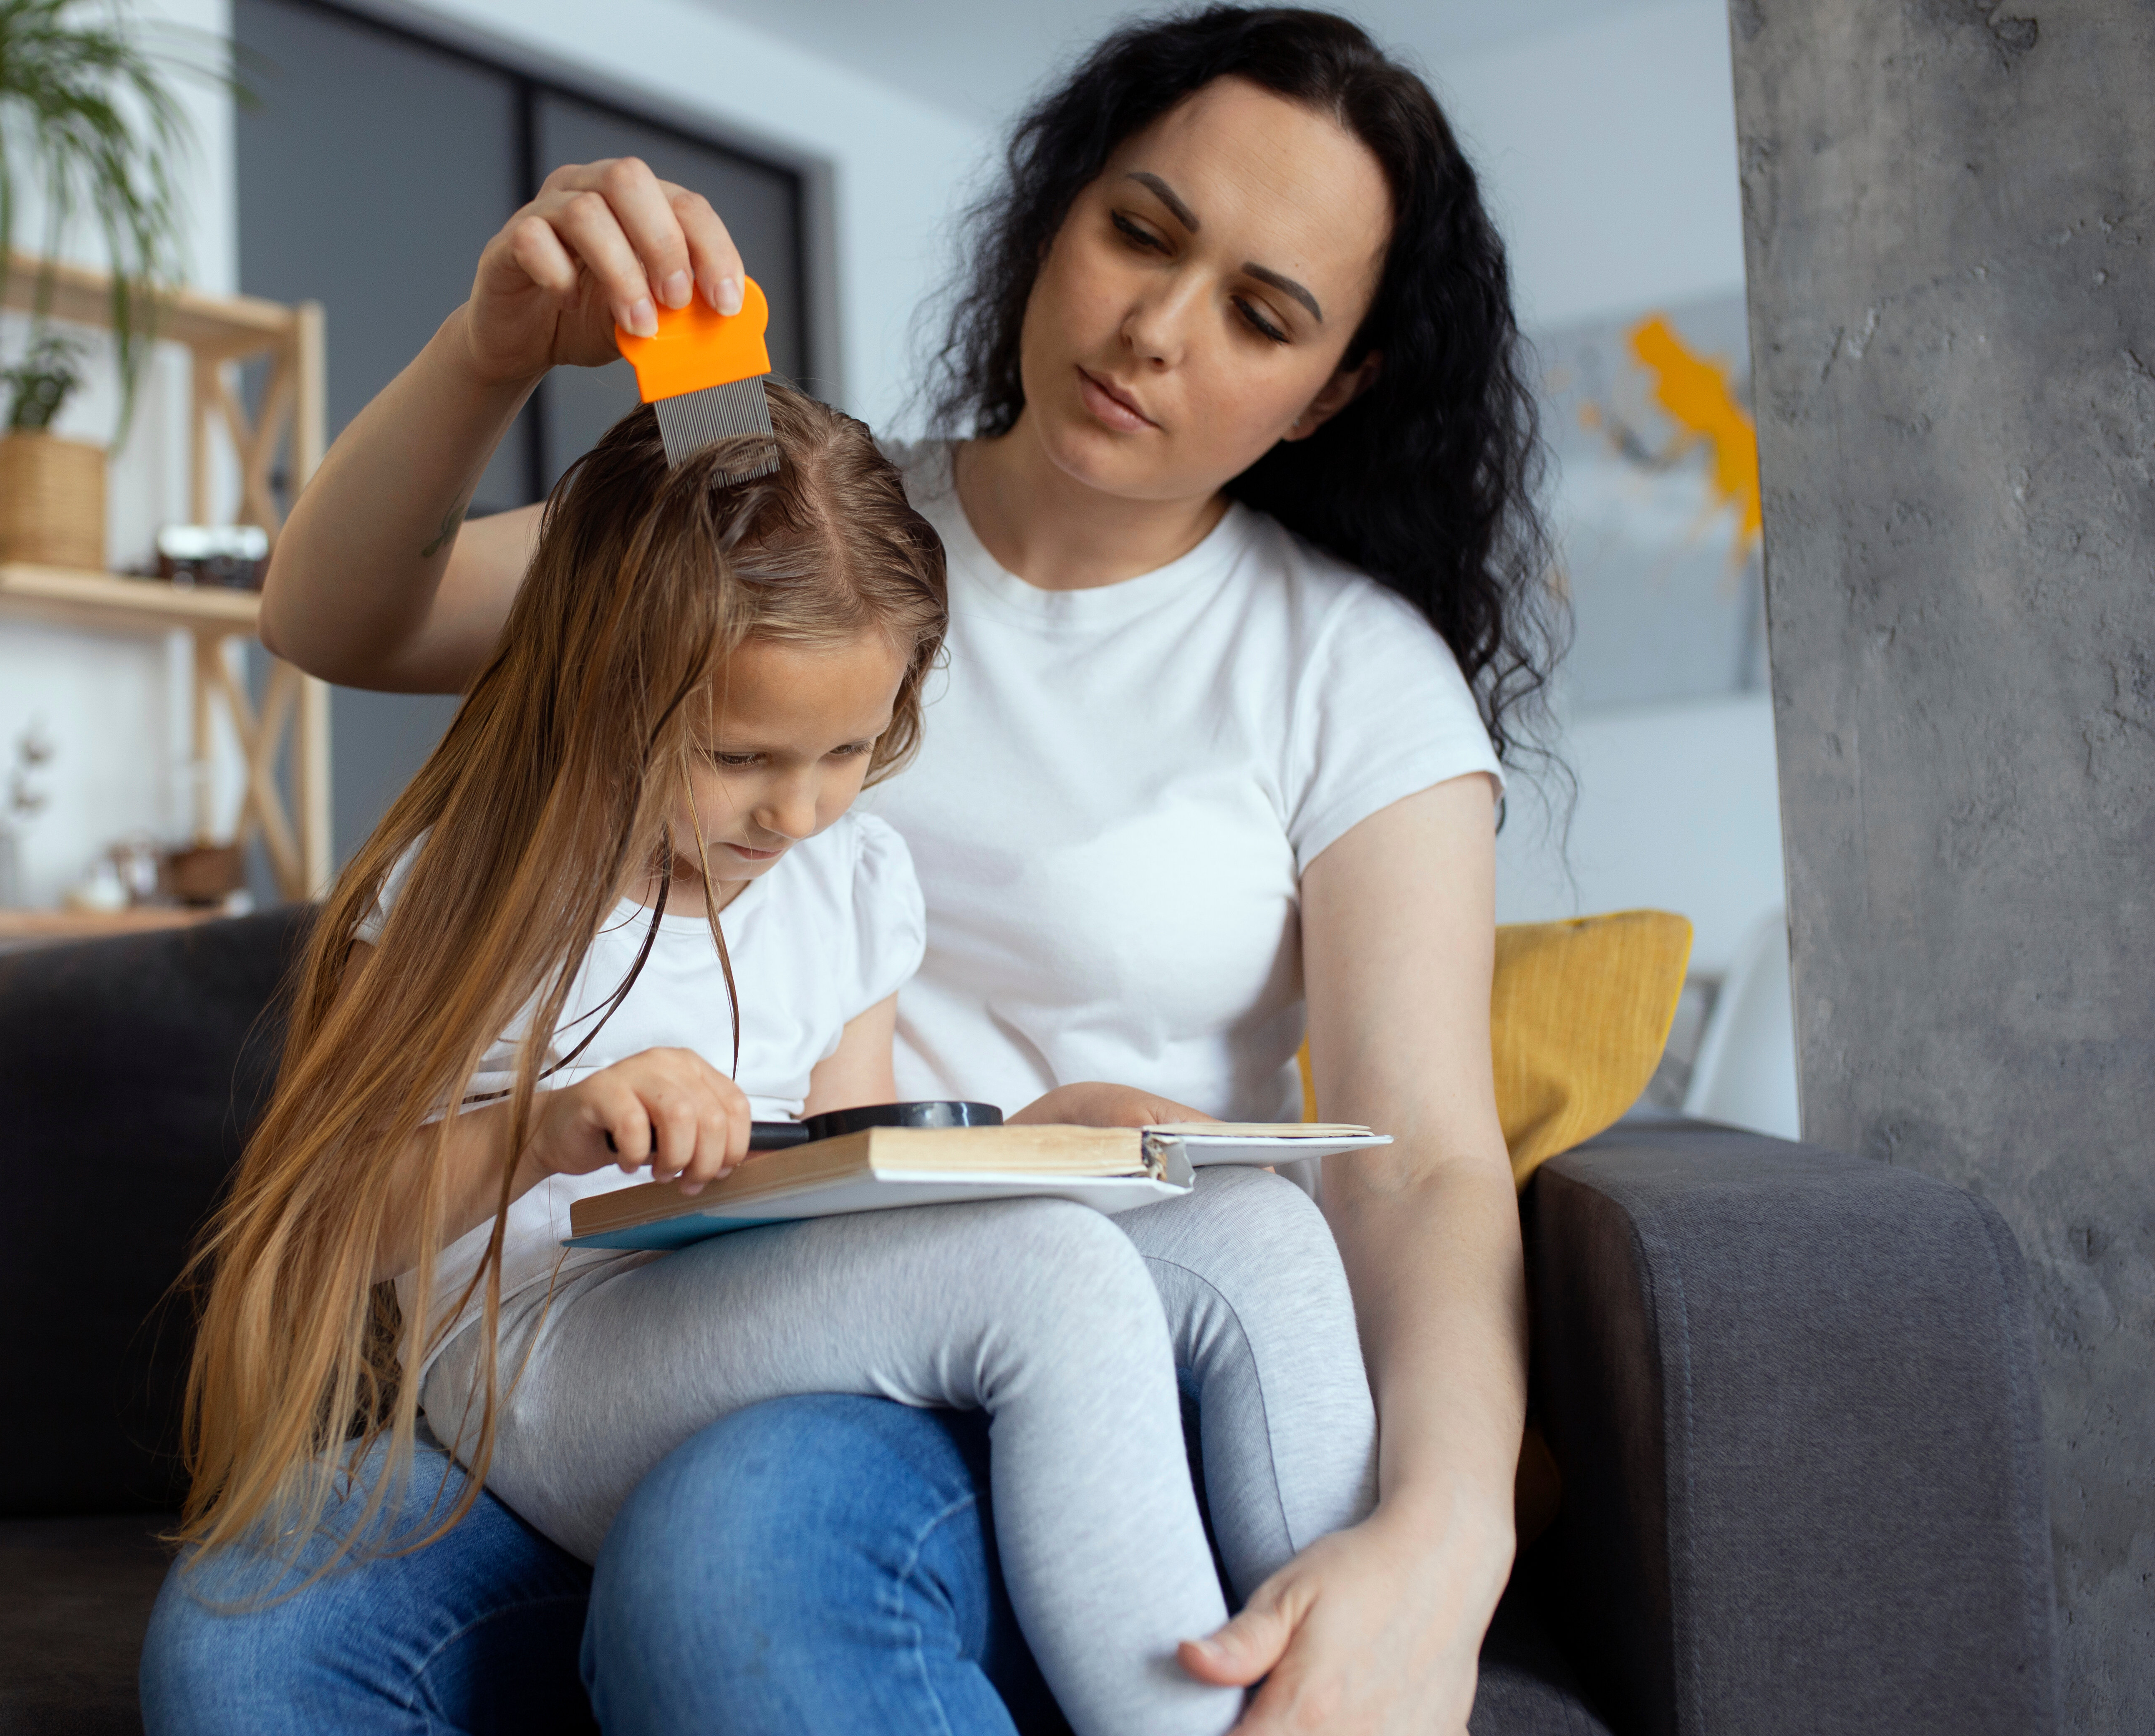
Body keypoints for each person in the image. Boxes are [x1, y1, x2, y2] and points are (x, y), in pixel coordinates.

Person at [145, 6, 1552, 1732]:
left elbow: (1416, 1169)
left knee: (796, 1501)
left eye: (1262, 314)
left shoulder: (1347, 665)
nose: (1154, 330)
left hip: (1023, 1346)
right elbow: (333, 615)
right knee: (268, 1628)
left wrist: (1440, 1539)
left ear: (1333, 389)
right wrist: (493, 347)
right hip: (695, 1286)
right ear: (1057, 208)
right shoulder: (779, 520)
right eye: (1140, 231)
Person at [161, 381, 1378, 1736]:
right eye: (739, 755)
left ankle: (1362, 1654)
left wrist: (1037, 1134)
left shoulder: (843, 879)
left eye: (849, 750)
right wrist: (552, 1126)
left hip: (743, 1307)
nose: (797, 809)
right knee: (1058, 1274)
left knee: (1255, 1225)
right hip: (551, 1360)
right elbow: (334, 1223)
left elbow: (855, 1179)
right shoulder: (474, 888)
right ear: (600, 683)